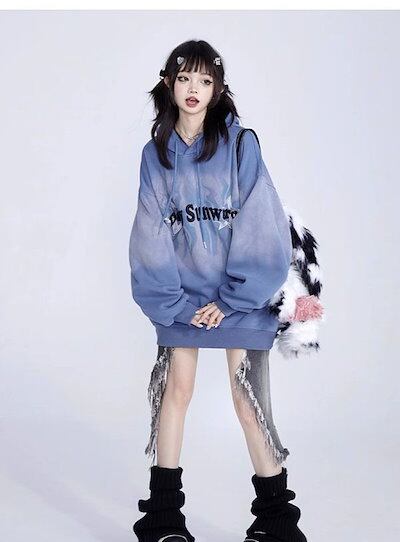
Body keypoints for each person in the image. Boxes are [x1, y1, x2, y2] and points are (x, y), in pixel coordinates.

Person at [128, 39, 308, 542]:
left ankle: (277, 522)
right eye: (185, 78)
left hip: (243, 295)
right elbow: (149, 234)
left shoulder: (241, 145)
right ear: (169, 83)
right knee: (175, 392)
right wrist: (177, 304)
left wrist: (229, 300)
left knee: (249, 401)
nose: (194, 89)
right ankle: (164, 519)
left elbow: (261, 223)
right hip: (182, 298)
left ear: (218, 89)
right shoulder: (155, 154)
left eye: (205, 80)